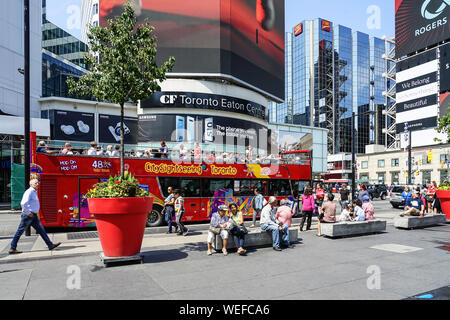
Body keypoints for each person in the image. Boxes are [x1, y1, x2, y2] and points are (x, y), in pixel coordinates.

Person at [9, 179, 61, 254]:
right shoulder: (29, 192)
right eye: (35, 183)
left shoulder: (33, 192)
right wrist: (28, 212)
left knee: (41, 230)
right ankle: (12, 248)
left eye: (38, 183)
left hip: (33, 216)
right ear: (31, 184)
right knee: (20, 231)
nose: (37, 184)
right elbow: (23, 203)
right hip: (28, 216)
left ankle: (50, 245)